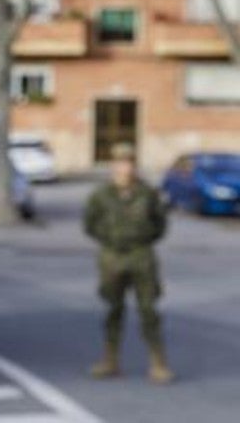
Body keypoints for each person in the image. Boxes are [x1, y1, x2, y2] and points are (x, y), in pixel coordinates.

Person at [82, 142, 174, 384]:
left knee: (149, 310)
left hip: (142, 256)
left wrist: (141, 238)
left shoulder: (148, 193)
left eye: (129, 162)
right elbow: (89, 224)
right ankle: (110, 360)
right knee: (113, 309)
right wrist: (109, 238)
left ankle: (158, 363)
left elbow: (160, 225)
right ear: (113, 165)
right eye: (120, 162)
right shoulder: (101, 195)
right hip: (112, 256)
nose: (125, 168)